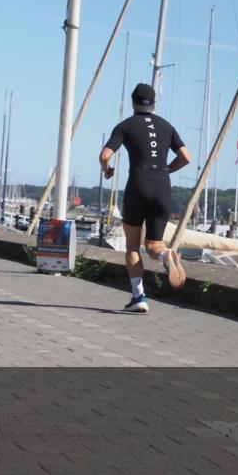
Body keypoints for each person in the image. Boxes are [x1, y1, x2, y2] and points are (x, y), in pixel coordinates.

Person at [99, 83, 190, 313]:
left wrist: (107, 169)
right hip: (162, 187)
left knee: (132, 246)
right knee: (153, 245)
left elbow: (105, 155)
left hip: (138, 185)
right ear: (154, 104)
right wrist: (167, 170)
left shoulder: (125, 126)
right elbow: (186, 157)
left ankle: (139, 297)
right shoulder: (166, 126)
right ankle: (165, 254)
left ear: (133, 103)